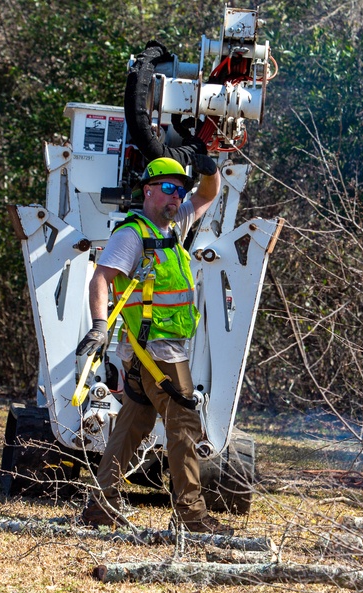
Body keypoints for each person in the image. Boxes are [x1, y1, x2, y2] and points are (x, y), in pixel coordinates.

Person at [77, 154, 233, 536]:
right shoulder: (131, 235)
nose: (176, 196)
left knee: (134, 422)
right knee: (184, 421)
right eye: (167, 188)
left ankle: (101, 503)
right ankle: (191, 515)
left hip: (150, 350)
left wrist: (208, 168)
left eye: (180, 189)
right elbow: (101, 279)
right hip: (157, 351)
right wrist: (99, 326)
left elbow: (208, 195)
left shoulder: (173, 226)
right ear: (147, 191)